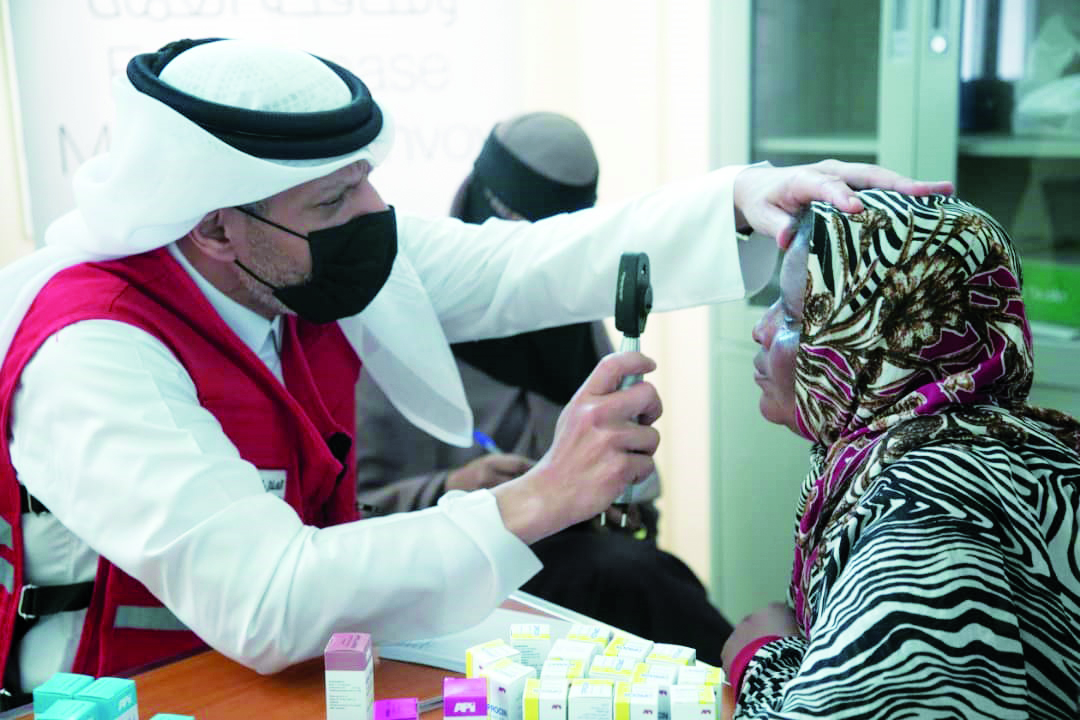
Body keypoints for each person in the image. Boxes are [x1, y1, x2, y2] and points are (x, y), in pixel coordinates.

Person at [0, 36, 952, 703]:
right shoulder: (94, 352)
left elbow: (521, 264)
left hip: (304, 670)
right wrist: (538, 497)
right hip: (132, 690)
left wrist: (743, 200)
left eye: (369, 174)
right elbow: (266, 597)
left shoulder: (286, 252)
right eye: (338, 196)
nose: (375, 210)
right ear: (214, 227)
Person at [356, 111, 735, 661]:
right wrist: (457, 486)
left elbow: (636, 495)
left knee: (640, 575)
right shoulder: (391, 328)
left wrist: (611, 494)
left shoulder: (575, 329)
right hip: (444, 582)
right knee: (628, 581)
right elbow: (348, 522)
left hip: (577, 568)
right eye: (513, 225)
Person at [723, 190, 1080, 718]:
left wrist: (763, 656)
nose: (762, 327)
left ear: (881, 344)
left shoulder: (929, 508)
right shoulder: (948, 443)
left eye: (798, 316)